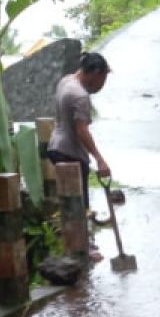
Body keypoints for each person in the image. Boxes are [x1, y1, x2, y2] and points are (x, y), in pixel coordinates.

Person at [47, 52, 112, 210]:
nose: (102, 85)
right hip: (71, 154)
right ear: (96, 74)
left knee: (68, 203)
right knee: (79, 207)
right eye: (103, 79)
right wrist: (99, 159)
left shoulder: (66, 81)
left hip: (55, 148)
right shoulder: (80, 95)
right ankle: (79, 233)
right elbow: (81, 130)